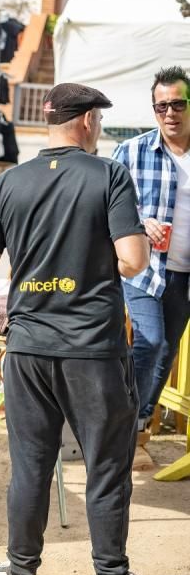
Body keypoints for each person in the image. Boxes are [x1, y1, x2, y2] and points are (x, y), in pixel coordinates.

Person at [0, 83, 148, 575]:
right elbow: (132, 260)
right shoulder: (109, 175)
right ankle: (111, 572)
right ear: (88, 120)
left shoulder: (8, 182)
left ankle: (20, 569)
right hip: (92, 349)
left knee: (30, 465)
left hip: (26, 347)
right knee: (106, 468)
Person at [111, 66, 190, 449]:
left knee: (167, 351)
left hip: (183, 275)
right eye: (162, 107)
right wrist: (141, 224)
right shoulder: (131, 152)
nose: (170, 113)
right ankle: (123, 421)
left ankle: (137, 421)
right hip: (142, 269)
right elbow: (107, 208)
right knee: (151, 341)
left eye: (178, 104)